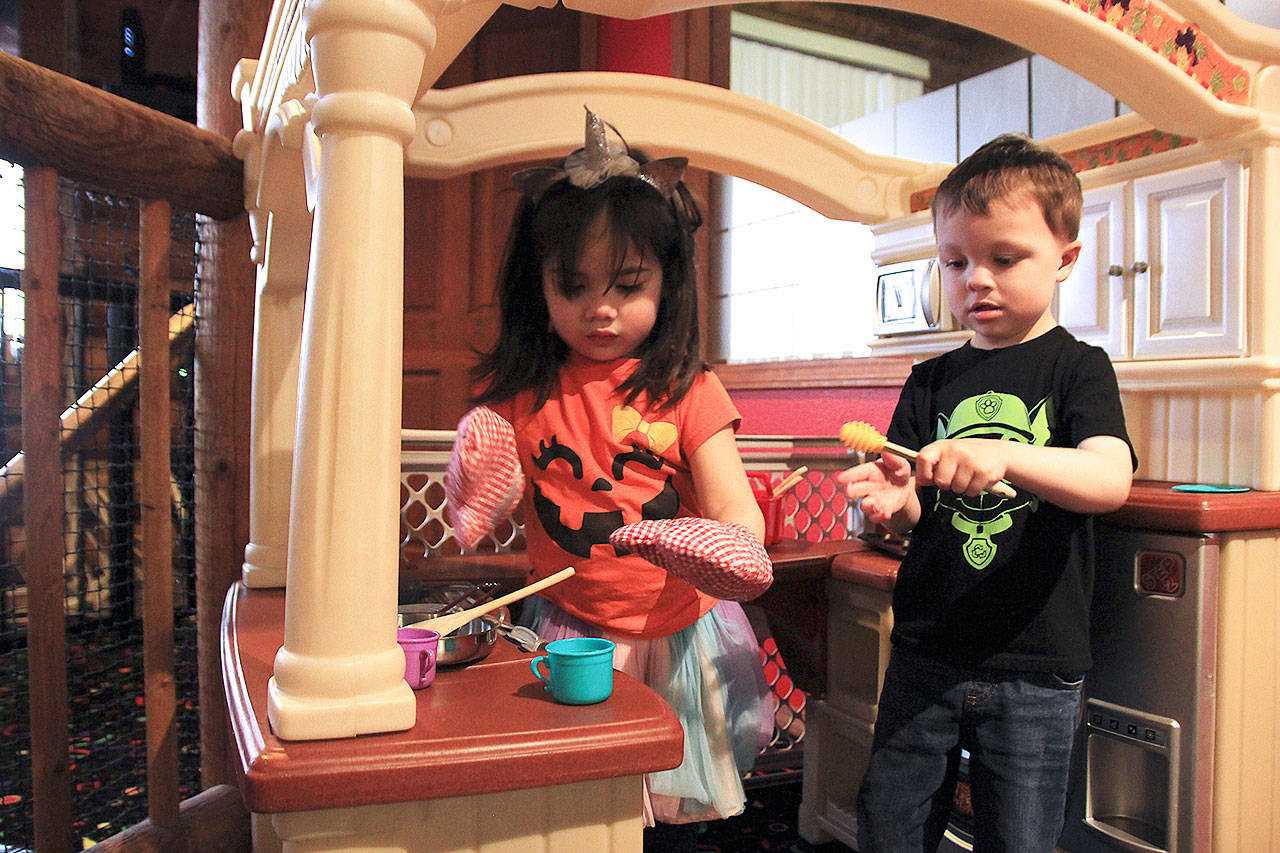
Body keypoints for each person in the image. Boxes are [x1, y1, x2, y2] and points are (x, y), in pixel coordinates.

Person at [444, 109, 774, 852]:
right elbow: (481, 502)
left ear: (668, 282)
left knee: (675, 814)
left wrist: (721, 544)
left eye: (628, 285)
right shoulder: (523, 395)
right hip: (568, 630)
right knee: (574, 815)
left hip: (676, 636)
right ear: (537, 288)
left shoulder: (690, 389)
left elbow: (737, 512)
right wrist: (476, 465)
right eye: (573, 285)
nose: (600, 308)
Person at [837, 133, 1136, 852]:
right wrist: (893, 501)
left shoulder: (1079, 368)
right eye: (956, 261)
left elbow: (1108, 478)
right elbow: (916, 511)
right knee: (889, 827)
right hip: (925, 651)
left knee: (1020, 840)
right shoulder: (929, 380)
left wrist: (1005, 453)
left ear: (1065, 258)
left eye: (1005, 259)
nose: (976, 279)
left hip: (1038, 666)